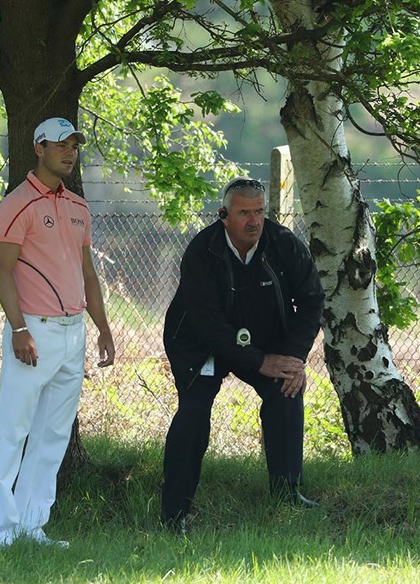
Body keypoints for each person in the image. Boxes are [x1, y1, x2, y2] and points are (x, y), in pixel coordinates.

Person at [161, 176, 325, 534]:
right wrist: (257, 361)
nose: (253, 221)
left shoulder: (283, 244)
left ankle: (287, 495)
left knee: (286, 392)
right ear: (224, 215)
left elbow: (313, 300)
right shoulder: (201, 252)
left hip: (267, 341)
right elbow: (207, 323)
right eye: (244, 213)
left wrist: (294, 358)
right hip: (201, 344)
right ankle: (175, 512)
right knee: (193, 411)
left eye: (260, 212)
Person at [0, 117, 116, 547]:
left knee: (53, 433)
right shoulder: (16, 203)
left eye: (74, 144)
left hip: (73, 333)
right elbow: (2, 273)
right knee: (13, 430)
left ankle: (30, 525)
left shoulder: (78, 207)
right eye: (61, 145)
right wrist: (19, 328)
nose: (69, 152)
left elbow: (88, 274)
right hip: (32, 331)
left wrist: (103, 328)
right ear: (38, 148)